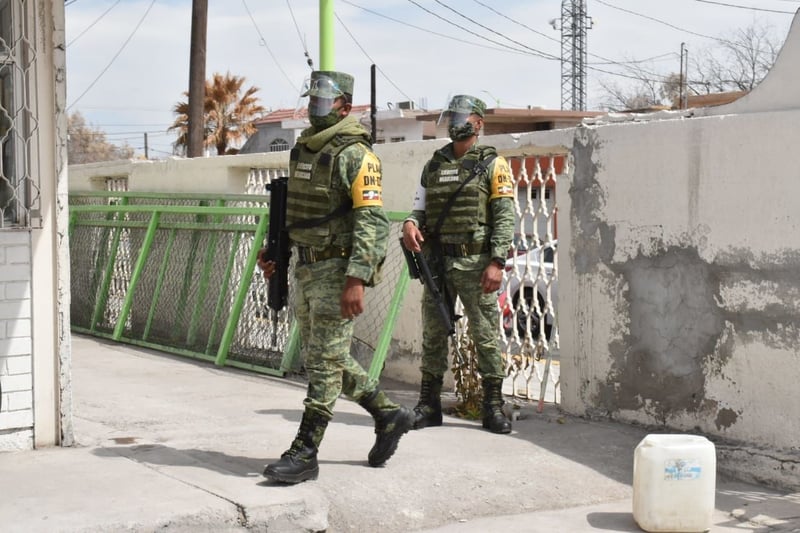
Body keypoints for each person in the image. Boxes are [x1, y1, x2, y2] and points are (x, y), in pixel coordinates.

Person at [258, 71, 414, 484]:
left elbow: (372, 221)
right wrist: (274, 252)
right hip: (306, 266)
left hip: (338, 267)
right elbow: (295, 211)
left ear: (345, 106)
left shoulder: (357, 155)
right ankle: (388, 414)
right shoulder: (305, 149)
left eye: (323, 103)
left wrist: (357, 279)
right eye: (311, 101)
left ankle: (305, 451)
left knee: (324, 365)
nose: (314, 108)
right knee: (324, 357)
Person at [401, 94, 515, 435]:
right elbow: (418, 209)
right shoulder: (434, 165)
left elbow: (505, 217)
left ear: (479, 123)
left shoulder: (495, 165)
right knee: (433, 334)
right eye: (452, 115)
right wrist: (409, 224)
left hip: (476, 262)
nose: (455, 121)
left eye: (462, 116)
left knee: (486, 335)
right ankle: (428, 405)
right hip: (438, 262)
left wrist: (496, 261)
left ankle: (492, 406)